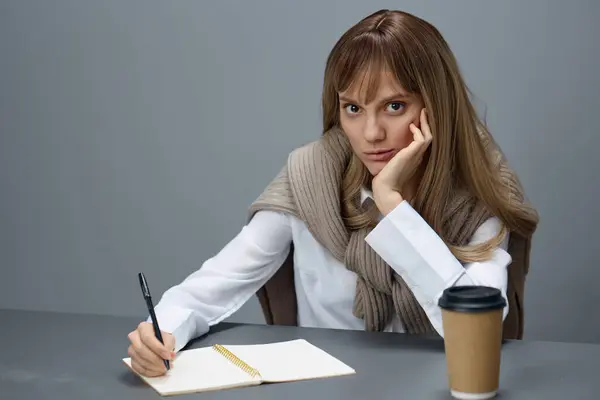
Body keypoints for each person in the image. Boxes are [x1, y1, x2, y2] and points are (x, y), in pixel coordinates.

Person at [126, 9, 539, 377]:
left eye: (394, 106)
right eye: (353, 108)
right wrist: (160, 333)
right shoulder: (312, 177)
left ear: (436, 106)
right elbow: (206, 290)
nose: (371, 134)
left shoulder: (478, 193)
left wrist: (392, 206)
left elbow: (473, 331)